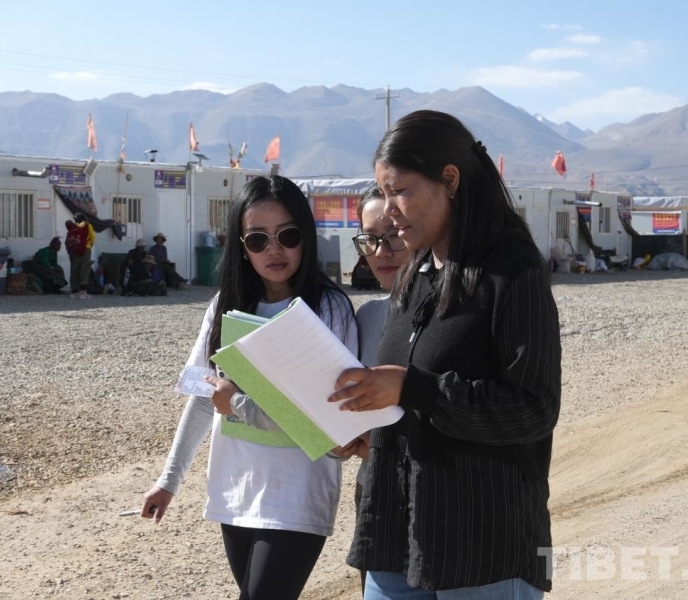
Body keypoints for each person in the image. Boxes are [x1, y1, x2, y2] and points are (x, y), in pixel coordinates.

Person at [329, 110, 562, 599]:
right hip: (395, 536)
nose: (389, 209)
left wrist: (414, 388)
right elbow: (406, 406)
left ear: (450, 180)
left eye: (399, 190)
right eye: (383, 192)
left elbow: (533, 409)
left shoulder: (512, 269)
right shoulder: (414, 276)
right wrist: (362, 430)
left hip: (483, 549)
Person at [141, 175, 358, 600]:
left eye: (287, 235)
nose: (274, 250)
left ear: (306, 237)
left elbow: (329, 424)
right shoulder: (225, 305)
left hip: (298, 494)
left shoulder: (330, 309)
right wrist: (168, 481)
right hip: (235, 490)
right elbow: (203, 398)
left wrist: (238, 402)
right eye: (258, 239)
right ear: (242, 246)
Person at [349, 184, 410, 592]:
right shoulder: (367, 318)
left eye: (392, 236)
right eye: (370, 239)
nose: (381, 252)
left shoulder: (454, 315)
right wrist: (342, 442)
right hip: (375, 495)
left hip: (440, 494)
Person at [66, 213, 95, 299]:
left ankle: (74, 291)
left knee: (74, 269)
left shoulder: (73, 227)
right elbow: (92, 237)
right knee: (84, 269)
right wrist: (90, 245)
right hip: (86, 249)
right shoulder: (88, 226)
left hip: (75, 250)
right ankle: (82, 292)